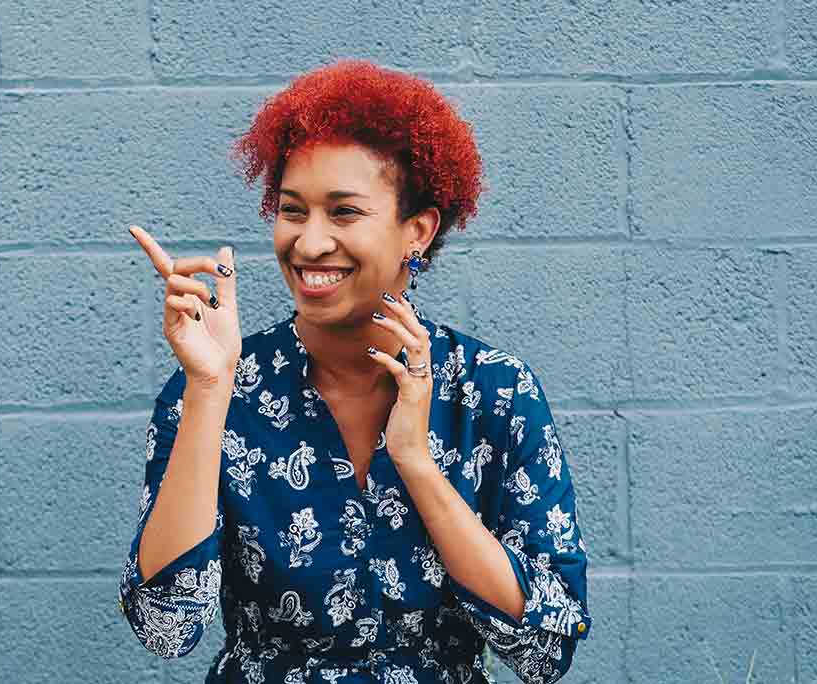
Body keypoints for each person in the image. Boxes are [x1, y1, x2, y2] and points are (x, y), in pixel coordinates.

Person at [118, 58, 592, 684]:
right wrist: (209, 389)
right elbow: (164, 626)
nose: (310, 243)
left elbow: (543, 651)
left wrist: (417, 464)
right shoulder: (213, 385)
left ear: (416, 231)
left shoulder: (495, 393)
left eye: (344, 213)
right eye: (293, 211)